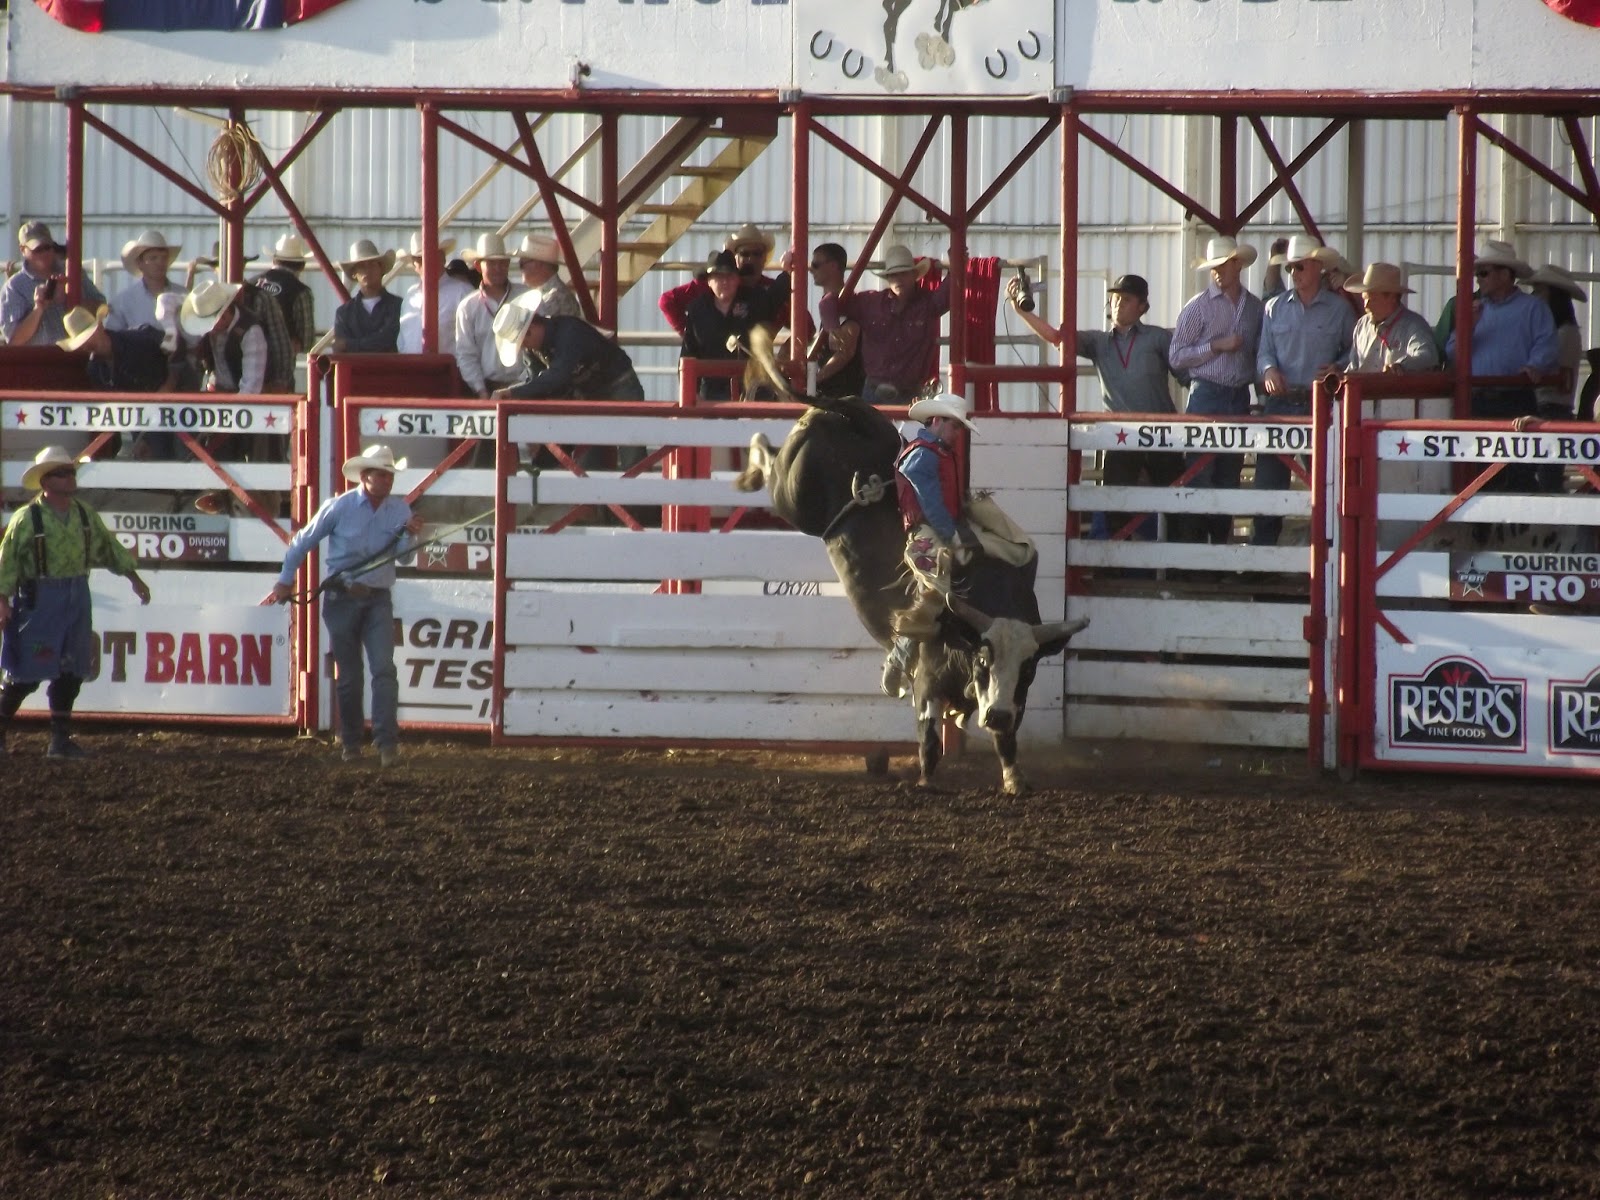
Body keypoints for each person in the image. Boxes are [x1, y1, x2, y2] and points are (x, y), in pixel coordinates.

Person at [266, 445, 423, 767]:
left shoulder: (400, 510)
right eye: (382, 474)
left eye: (390, 475)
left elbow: (405, 558)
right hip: (343, 597)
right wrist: (285, 580)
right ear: (365, 476)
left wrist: (410, 537)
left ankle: (386, 744)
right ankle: (352, 742)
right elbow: (302, 541)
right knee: (351, 675)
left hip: (377, 597)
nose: (387, 480)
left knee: (383, 669)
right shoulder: (338, 507)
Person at [1006, 271, 1185, 538]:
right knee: (1115, 505)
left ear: (1142, 307)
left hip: (1161, 433)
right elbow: (1056, 338)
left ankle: (1181, 558)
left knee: (1179, 502)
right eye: (1115, 298)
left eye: (1126, 299)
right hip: (1122, 435)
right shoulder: (1098, 342)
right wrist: (1020, 310)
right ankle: (1116, 559)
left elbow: (1186, 374)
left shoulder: (1158, 338)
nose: (1118, 303)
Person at [0, 446, 152, 758]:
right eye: (61, 473)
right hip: (39, 598)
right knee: (25, 673)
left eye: (70, 472)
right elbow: (7, 561)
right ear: (46, 481)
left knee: (71, 669)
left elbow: (108, 547)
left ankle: (60, 740)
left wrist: (133, 577)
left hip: (76, 595)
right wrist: (2, 599)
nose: (69, 477)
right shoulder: (26, 519)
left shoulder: (84, 514)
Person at [1253, 234, 1356, 545]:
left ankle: (1328, 551)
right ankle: (1263, 554)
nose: (1293, 273)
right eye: (1290, 268)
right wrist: (1268, 369)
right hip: (1281, 402)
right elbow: (1263, 352)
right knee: (1269, 483)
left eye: (1299, 267)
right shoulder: (1273, 308)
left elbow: (1355, 351)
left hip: (1321, 402)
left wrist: (1339, 367)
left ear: (1317, 266)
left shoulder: (1339, 310)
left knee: (1325, 482)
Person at [1168, 235, 1266, 544]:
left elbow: (1259, 352)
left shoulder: (1255, 308)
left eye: (1222, 265)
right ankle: (1198, 550)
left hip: (1237, 396)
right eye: (1214, 267)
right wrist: (1216, 346)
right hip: (1208, 394)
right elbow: (1176, 356)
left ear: (1238, 265)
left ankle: (1218, 548)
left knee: (1228, 474)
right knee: (1200, 472)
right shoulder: (1198, 307)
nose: (1217, 272)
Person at [1444, 239, 1559, 491]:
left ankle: (1521, 515)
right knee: (1478, 472)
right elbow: (1452, 352)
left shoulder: (1533, 308)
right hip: (1477, 400)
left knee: (1518, 470)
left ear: (1505, 274)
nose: (1478, 279)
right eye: (1478, 273)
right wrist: (1468, 326)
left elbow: (1547, 344)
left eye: (1484, 273)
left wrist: (1535, 365)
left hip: (1514, 399)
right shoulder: (1473, 311)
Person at [828, 244, 952, 404]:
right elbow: (830, 302)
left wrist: (956, 266)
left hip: (908, 393)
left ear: (914, 275)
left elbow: (950, 292)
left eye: (903, 274)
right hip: (879, 391)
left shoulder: (927, 304)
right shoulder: (870, 303)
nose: (898, 279)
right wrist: (833, 329)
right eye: (893, 275)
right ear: (888, 279)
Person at [491, 299, 645, 402]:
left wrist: (512, 393)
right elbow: (536, 381)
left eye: (524, 341)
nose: (525, 347)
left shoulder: (570, 331)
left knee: (628, 439)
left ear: (531, 328)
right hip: (592, 393)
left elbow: (558, 374)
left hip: (619, 385)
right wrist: (515, 392)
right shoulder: (536, 347)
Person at [659, 223, 792, 336]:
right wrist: (693, 335)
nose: (750, 259)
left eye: (757, 254)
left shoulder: (771, 290)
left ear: (764, 258)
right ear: (735, 257)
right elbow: (667, 301)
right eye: (744, 253)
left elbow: (800, 323)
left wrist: (787, 348)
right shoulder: (712, 285)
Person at [1524, 264, 1588, 492]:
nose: (1534, 295)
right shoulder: (1562, 331)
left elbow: (1549, 367)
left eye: (1539, 290)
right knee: (1543, 472)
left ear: (1554, 295)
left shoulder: (1564, 333)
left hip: (1551, 407)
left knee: (1547, 475)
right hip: (1550, 406)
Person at [680, 250, 774, 400]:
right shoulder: (697, 310)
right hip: (711, 392)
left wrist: (787, 272)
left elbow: (777, 296)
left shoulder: (755, 302)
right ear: (709, 281)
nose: (724, 282)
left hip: (751, 391)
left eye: (729, 276)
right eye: (718, 277)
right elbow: (688, 352)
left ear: (737, 279)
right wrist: (692, 394)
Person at [1, 221, 103, 347]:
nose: (44, 253)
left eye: (48, 247)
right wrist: (39, 308)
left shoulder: (73, 271)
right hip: (42, 357)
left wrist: (68, 299)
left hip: (79, 354)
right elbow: (14, 340)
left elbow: (101, 310)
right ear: (23, 249)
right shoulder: (14, 287)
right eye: (38, 249)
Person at [454, 232, 529, 399]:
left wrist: (524, 386)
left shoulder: (527, 297)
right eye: (492, 263)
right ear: (478, 266)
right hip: (488, 388)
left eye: (502, 263)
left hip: (525, 386)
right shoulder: (468, 307)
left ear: (508, 264)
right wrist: (481, 391)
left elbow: (540, 346)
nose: (498, 268)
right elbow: (466, 354)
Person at [1343, 262, 1440, 374]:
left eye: (1373, 299)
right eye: (1364, 298)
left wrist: (1401, 366)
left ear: (1392, 298)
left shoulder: (1413, 325)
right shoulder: (1362, 325)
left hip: (1397, 386)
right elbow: (1354, 367)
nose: (1366, 305)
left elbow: (1427, 356)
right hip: (1365, 386)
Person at [182, 279, 267, 395]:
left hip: (242, 397)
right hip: (218, 392)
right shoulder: (210, 332)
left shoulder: (251, 331)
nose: (208, 330)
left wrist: (236, 405)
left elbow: (251, 385)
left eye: (210, 323)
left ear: (225, 314)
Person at [396, 235, 475, 355]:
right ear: (414, 264)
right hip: (410, 365)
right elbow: (402, 340)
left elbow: (473, 340)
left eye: (431, 256)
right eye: (419, 259)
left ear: (443, 259)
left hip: (448, 366)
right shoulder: (411, 294)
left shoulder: (463, 292)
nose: (426, 262)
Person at [805, 242, 864, 398]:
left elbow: (845, 352)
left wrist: (814, 381)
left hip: (842, 393)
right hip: (834, 390)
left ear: (832, 266)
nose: (811, 270)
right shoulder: (838, 303)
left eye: (815, 265)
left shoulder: (848, 304)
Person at [104, 229, 184, 335]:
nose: (160, 262)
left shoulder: (183, 295)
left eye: (164, 258)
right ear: (139, 263)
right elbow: (112, 337)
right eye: (153, 258)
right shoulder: (122, 302)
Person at [252, 232, 318, 357]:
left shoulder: (251, 283)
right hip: (280, 359)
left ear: (274, 260)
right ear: (302, 266)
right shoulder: (301, 291)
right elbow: (307, 343)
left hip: (247, 355)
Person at [331, 239, 402, 354]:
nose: (367, 270)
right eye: (361, 266)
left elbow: (388, 339)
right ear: (354, 273)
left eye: (372, 264)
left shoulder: (398, 305)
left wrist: (348, 344)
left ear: (381, 269)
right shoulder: (343, 313)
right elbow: (340, 349)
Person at [517, 234, 583, 319]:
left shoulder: (553, 298)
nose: (521, 269)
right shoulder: (551, 294)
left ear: (537, 264)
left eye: (522, 264)